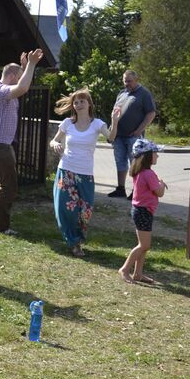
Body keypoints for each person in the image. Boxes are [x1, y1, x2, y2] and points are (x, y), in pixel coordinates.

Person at [49, 89, 121, 256]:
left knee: (84, 211)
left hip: (85, 174)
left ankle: (78, 239)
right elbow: (54, 140)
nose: (78, 104)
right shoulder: (67, 123)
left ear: (89, 104)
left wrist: (114, 121)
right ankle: (74, 243)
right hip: (65, 170)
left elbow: (111, 137)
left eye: (82, 101)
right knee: (65, 209)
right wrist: (54, 145)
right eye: (76, 102)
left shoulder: (97, 124)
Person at [0, 48, 44, 236]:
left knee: (5, 184)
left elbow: (23, 84)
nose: (21, 79)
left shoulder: (2, 89)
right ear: (11, 76)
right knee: (9, 185)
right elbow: (23, 87)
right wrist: (31, 65)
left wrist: (26, 68)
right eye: (19, 76)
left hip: (0, 144)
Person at [119, 139, 166, 284]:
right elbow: (159, 193)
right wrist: (162, 185)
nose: (157, 156)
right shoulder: (149, 174)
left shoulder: (140, 172)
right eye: (155, 153)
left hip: (141, 211)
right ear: (147, 156)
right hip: (143, 212)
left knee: (144, 245)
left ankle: (138, 274)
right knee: (144, 245)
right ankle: (125, 269)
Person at [108, 70, 157, 199]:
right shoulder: (122, 93)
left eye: (129, 81)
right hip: (118, 136)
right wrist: (111, 129)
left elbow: (151, 113)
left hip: (133, 136)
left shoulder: (144, 94)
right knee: (120, 162)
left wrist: (139, 130)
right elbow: (115, 112)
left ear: (136, 80)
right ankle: (120, 188)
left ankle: (136, 191)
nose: (127, 84)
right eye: (125, 81)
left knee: (135, 163)